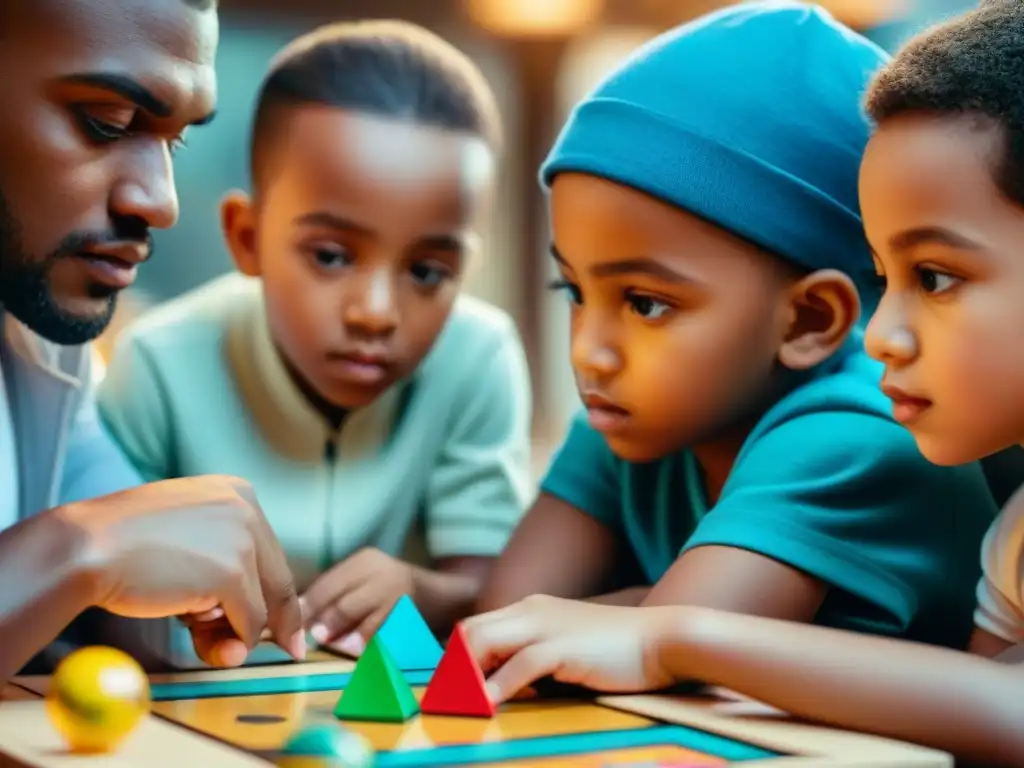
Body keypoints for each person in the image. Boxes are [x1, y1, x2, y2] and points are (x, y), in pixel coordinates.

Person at [462, 2, 1024, 765]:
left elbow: (1005, 713)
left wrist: (670, 633)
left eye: (933, 276)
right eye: (573, 292)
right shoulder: (1014, 531)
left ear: (810, 319)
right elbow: (987, 699)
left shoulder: (858, 435)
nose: (592, 351)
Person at [96, 20, 532, 657]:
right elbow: (104, 603)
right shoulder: (157, 364)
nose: (376, 313)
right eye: (330, 257)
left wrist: (421, 589)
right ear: (247, 237)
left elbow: (493, 583)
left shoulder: (479, 356)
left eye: (427, 272)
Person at [0, 0, 306, 685]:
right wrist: (74, 552)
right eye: (105, 123)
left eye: (176, 141)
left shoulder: (41, 327)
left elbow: (133, 582)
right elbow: (88, 547)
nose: (161, 200)